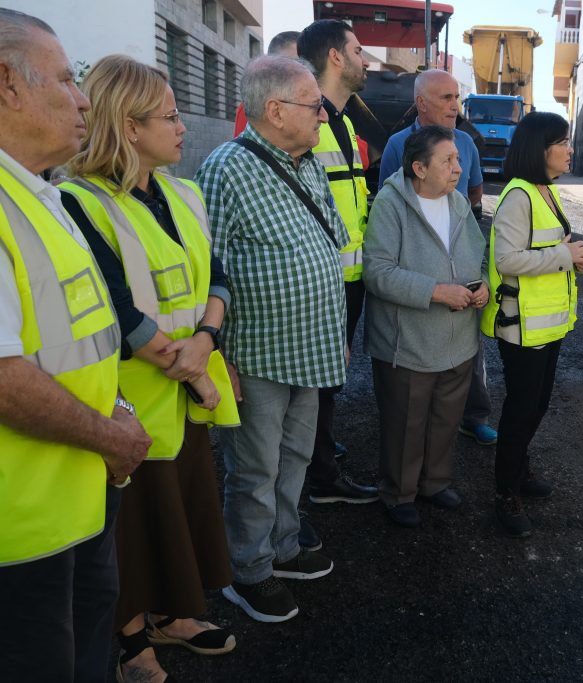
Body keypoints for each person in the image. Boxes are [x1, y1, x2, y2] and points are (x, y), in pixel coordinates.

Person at [60, 55, 240, 682]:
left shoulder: (183, 191)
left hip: (185, 389)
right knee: (131, 530)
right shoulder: (79, 202)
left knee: (181, 511)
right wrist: (194, 369)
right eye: (169, 115)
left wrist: (208, 339)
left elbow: (216, 274)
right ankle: (133, 643)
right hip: (132, 399)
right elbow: (117, 307)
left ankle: (174, 615)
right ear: (129, 128)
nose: (183, 126)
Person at [0, 9, 150, 680]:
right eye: (65, 79)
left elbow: (73, 331)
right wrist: (109, 434)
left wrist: (111, 407)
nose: (84, 97)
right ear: (7, 84)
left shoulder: (40, 194)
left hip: (79, 496)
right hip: (21, 531)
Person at [196, 55, 347, 622]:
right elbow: (207, 267)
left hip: (309, 346)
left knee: (295, 459)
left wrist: (335, 331)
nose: (324, 116)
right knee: (254, 471)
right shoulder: (224, 169)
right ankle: (249, 571)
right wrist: (219, 355)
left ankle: (282, 549)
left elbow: (328, 243)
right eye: (315, 106)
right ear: (276, 110)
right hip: (254, 354)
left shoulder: (306, 162)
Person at [364, 125, 488, 528]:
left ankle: (435, 482)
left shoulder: (457, 203)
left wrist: (483, 284)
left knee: (446, 417)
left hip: (457, 337)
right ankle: (398, 492)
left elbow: (478, 255)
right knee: (406, 421)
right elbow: (377, 272)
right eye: (448, 161)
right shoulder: (391, 203)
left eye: (458, 159)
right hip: (408, 341)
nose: (459, 167)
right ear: (419, 167)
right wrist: (437, 291)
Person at [481, 111, 583, 537]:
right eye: (563, 142)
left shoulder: (545, 191)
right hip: (522, 326)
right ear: (539, 149)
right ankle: (505, 493)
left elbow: (550, 247)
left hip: (547, 325)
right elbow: (506, 260)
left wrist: (572, 257)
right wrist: (565, 256)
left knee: (537, 404)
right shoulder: (519, 196)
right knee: (521, 409)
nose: (570, 150)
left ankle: (520, 472)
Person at [377, 69, 498, 447]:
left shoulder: (466, 141)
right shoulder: (399, 144)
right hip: (418, 286)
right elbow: (389, 198)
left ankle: (472, 418)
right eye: (446, 98)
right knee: (413, 390)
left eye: (456, 97)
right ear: (421, 103)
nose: (455, 105)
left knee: (467, 362)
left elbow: (475, 189)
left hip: (458, 260)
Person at [297, 19, 379, 506]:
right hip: (323, 279)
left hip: (350, 277)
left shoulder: (344, 121)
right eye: (358, 49)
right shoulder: (313, 122)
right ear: (335, 57)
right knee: (316, 380)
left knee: (328, 380)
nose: (364, 59)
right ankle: (318, 479)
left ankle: (320, 462)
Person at [232, 30, 299, 137]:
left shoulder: (318, 104)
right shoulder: (252, 107)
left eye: (306, 62)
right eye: (295, 63)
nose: (303, 70)